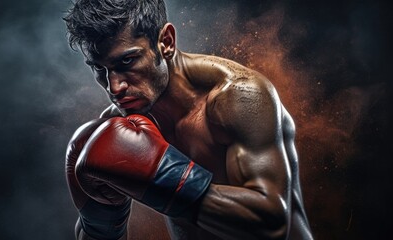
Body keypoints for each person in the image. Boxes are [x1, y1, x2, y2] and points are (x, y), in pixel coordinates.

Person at [63, 0, 313, 239]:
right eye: (99, 68)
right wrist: (100, 219)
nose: (114, 86)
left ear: (166, 42)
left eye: (127, 61)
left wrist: (166, 177)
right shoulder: (122, 122)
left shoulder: (239, 96)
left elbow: (271, 226)